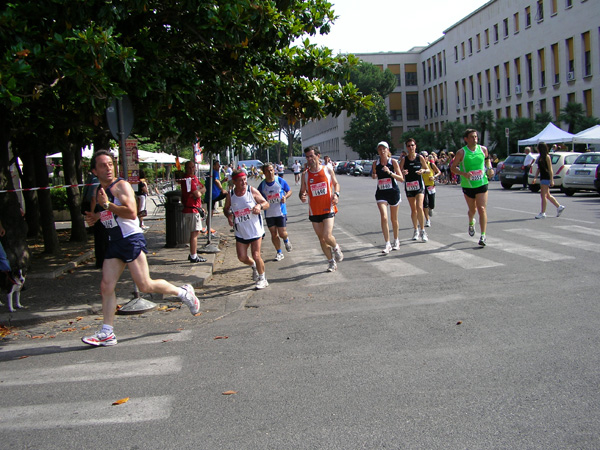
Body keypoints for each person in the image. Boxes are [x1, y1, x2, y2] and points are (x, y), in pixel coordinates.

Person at [82, 150, 201, 347]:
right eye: (103, 165)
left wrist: (108, 205)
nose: (108, 168)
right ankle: (107, 332)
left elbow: (131, 212)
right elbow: (103, 213)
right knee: (106, 285)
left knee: (145, 285)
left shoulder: (121, 186)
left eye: (111, 164)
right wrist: (94, 218)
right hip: (115, 241)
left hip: (131, 239)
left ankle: (183, 293)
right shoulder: (98, 192)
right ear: (94, 171)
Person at [299, 145, 343, 272]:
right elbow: (302, 192)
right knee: (322, 239)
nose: (309, 159)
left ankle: (336, 248)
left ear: (318, 156)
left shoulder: (327, 170)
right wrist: (302, 196)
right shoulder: (305, 175)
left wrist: (336, 194)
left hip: (328, 208)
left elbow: (336, 184)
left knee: (327, 235)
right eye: (307, 157)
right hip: (314, 211)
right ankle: (331, 262)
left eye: (311, 156)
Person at [224, 170, 270, 289]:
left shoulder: (251, 191)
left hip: (255, 229)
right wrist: (229, 215)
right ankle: (254, 265)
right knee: (242, 257)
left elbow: (266, 203)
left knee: (256, 254)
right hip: (241, 230)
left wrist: (259, 206)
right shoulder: (231, 195)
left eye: (245, 179)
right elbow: (226, 208)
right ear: (234, 182)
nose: (244, 182)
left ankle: (262, 278)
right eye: (240, 180)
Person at [450, 129, 493, 247]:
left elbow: (487, 160)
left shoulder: (483, 149)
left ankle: (483, 235)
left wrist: (489, 169)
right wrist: (464, 174)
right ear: (466, 139)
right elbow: (453, 168)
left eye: (476, 137)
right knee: (472, 210)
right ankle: (471, 222)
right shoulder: (461, 152)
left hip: (482, 182)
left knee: (482, 208)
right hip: (468, 185)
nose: (475, 139)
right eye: (472, 137)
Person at [372, 141, 404, 253]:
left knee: (393, 219)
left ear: (388, 150)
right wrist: (374, 175)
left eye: (384, 149)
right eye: (380, 149)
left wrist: (390, 173)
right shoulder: (375, 163)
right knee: (384, 217)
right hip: (381, 193)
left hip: (393, 192)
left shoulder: (393, 162)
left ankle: (396, 240)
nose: (382, 151)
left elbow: (401, 178)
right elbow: (374, 174)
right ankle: (387, 243)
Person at [258, 163, 293, 261]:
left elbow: (289, 191)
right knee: (274, 234)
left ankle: (286, 240)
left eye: (271, 170)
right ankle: (279, 252)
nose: (270, 172)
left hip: (280, 212)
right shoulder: (262, 185)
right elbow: (257, 196)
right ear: (264, 173)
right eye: (267, 171)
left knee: (282, 233)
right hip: (269, 213)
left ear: (274, 170)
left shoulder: (280, 180)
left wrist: (285, 197)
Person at [400, 139, 430, 242]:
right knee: (413, 210)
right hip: (409, 186)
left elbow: (428, 169)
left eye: (412, 145)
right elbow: (399, 171)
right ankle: (415, 230)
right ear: (407, 148)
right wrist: (403, 172)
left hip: (419, 186)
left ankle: (423, 231)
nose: (411, 147)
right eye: (408, 146)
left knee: (419, 207)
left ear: (415, 146)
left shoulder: (419, 157)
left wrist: (423, 171)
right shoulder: (405, 159)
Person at [181, 160, 207, 263]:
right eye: (189, 168)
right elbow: (198, 193)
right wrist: (197, 193)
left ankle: (194, 253)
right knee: (194, 233)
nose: (191, 169)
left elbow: (203, 189)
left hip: (195, 208)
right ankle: (193, 255)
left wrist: (198, 192)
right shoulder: (188, 179)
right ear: (186, 169)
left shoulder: (194, 178)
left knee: (195, 232)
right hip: (191, 209)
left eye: (193, 167)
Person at [532, 142, 566, 219]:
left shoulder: (547, 157)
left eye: (538, 148)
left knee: (543, 195)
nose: (537, 149)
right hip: (542, 177)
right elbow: (538, 168)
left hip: (546, 177)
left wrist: (552, 179)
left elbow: (550, 169)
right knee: (547, 195)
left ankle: (543, 213)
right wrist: (535, 177)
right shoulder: (540, 157)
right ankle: (559, 206)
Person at [422, 152, 441, 227]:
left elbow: (439, 172)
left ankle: (431, 208)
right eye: (423, 156)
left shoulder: (431, 164)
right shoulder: (419, 165)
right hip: (422, 186)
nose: (424, 157)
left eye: (426, 156)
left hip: (431, 185)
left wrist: (434, 176)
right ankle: (427, 220)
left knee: (432, 204)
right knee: (425, 203)